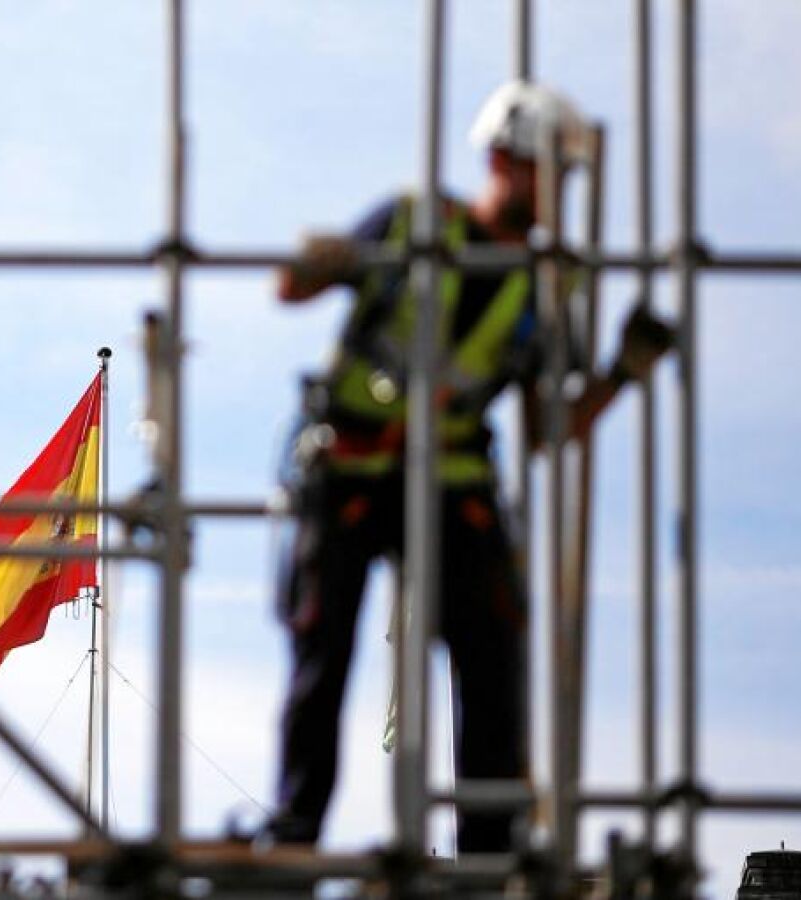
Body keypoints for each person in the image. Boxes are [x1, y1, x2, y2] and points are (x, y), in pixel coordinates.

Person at [263, 81, 672, 853]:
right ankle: (293, 833)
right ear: (500, 160)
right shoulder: (410, 223)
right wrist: (317, 259)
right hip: (351, 465)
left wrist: (622, 371)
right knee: (322, 653)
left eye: (561, 174)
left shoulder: (545, 285)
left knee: (492, 655)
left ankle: (488, 850)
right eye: (543, 167)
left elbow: (547, 429)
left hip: (451, 478)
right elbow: (289, 289)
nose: (553, 188)